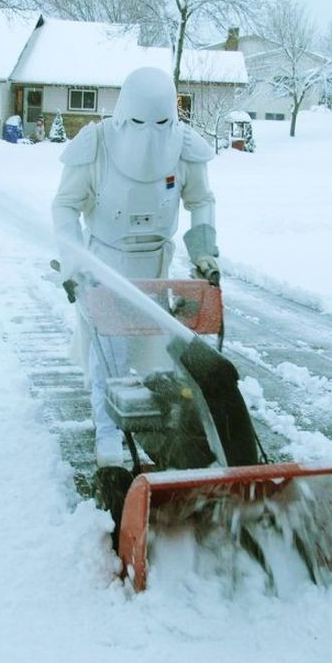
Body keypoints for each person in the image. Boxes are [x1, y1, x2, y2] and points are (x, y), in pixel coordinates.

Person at [51, 66, 220, 468]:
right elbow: (64, 204)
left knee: (158, 358)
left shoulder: (185, 148)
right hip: (104, 267)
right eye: (141, 122)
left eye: (161, 122)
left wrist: (203, 251)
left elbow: (202, 200)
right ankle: (108, 437)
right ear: (124, 113)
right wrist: (76, 260)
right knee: (109, 354)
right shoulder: (95, 145)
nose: (151, 133)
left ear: (173, 115)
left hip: (156, 268)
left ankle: (162, 436)